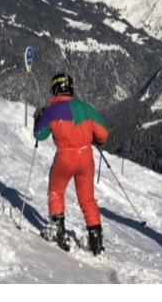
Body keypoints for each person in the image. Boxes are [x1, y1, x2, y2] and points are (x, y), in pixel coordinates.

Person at [33, 73, 109, 255]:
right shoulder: (86, 108)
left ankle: (58, 232)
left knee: (56, 191)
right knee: (87, 199)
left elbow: (39, 135)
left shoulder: (51, 110)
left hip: (65, 159)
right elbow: (103, 134)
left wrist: (39, 117)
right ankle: (95, 242)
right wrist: (94, 139)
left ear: (55, 89)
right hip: (85, 157)